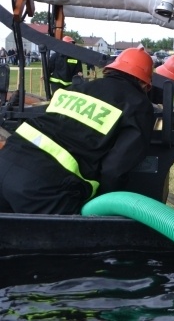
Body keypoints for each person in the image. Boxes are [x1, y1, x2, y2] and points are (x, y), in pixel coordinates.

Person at [0, 47, 155, 214]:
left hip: (6, 160)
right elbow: (114, 169)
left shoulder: (78, 88)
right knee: (61, 239)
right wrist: (106, 205)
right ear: (145, 84)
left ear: (110, 69)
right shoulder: (138, 104)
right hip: (44, 186)